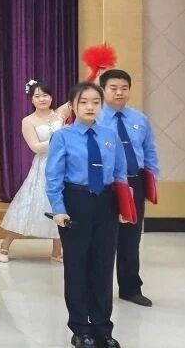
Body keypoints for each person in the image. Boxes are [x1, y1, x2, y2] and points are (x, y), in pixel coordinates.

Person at [47, 82, 128, 348]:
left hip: (106, 202)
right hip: (76, 201)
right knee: (77, 267)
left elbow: (120, 173)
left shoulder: (110, 135)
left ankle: (103, 328)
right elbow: (54, 176)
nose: (90, 107)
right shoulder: (63, 136)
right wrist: (59, 208)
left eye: (95, 102)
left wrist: (124, 206)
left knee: (103, 267)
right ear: (73, 105)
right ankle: (81, 329)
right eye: (83, 102)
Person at [97, 69, 159, 307]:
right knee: (103, 239)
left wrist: (151, 179)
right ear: (103, 90)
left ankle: (130, 289)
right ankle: (99, 291)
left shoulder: (139, 119)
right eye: (113, 88)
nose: (119, 92)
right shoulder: (95, 117)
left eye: (124, 88)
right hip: (106, 183)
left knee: (131, 238)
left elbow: (149, 149)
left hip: (135, 182)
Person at [0, 80, 71, 263]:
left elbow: (78, 97)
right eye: (37, 96)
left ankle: (57, 251)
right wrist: (60, 136)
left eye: (45, 95)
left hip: (63, 164)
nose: (42, 99)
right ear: (31, 99)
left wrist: (96, 73)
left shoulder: (60, 114)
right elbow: (35, 147)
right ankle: (5, 245)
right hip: (43, 165)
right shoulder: (28, 121)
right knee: (28, 204)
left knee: (61, 204)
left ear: (51, 97)